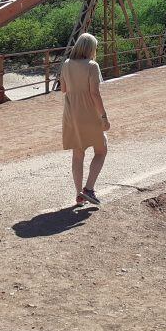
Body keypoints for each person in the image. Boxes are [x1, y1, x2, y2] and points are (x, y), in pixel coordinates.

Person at [60, 32, 110, 206]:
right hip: (88, 112)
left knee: (78, 153)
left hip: (71, 113)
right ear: (91, 48)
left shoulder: (66, 64)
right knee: (101, 150)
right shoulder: (92, 66)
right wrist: (104, 116)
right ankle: (89, 189)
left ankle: (79, 195)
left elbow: (63, 89)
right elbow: (94, 93)